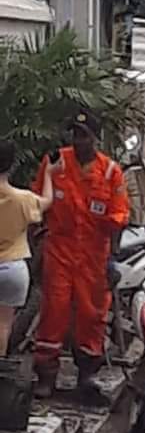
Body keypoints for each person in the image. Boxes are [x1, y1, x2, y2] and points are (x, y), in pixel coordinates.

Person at [33, 110, 129, 401]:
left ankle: (87, 373)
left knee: (92, 314)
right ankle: (46, 375)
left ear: (95, 138)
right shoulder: (55, 163)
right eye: (75, 134)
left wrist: (112, 258)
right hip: (59, 251)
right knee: (54, 311)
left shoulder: (110, 172)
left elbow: (119, 217)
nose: (78, 141)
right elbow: (38, 203)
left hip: (94, 255)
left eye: (84, 135)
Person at [0, 139, 54, 355]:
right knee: (4, 324)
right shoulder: (23, 199)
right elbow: (47, 201)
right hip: (13, 269)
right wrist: (48, 174)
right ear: (11, 164)